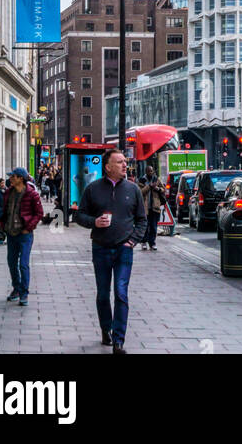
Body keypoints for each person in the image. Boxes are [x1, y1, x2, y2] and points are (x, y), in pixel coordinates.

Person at [75, 148, 146, 354]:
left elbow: (142, 220)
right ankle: (106, 328)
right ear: (107, 167)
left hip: (124, 249)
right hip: (101, 248)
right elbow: (79, 215)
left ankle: (118, 340)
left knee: (121, 293)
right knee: (103, 294)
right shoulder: (93, 189)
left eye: (125, 161)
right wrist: (95, 222)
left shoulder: (133, 190)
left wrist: (132, 241)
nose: (125, 165)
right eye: (119, 162)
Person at [0, 167, 44, 307]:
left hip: (24, 235)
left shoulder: (31, 194)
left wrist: (28, 228)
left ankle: (24, 293)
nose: (10, 179)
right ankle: (16, 289)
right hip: (11, 234)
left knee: (23, 264)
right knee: (12, 262)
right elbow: (4, 211)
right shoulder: (8, 192)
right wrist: (2, 225)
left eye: (13, 176)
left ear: (20, 178)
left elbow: (39, 213)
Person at [140, 173, 166, 251]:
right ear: (146, 172)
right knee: (145, 226)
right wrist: (149, 186)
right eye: (149, 171)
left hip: (155, 207)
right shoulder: (142, 180)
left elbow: (163, 189)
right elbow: (140, 192)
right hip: (145, 208)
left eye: (151, 171)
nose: (150, 173)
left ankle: (152, 243)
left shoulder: (156, 179)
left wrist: (157, 188)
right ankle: (144, 242)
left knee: (154, 227)